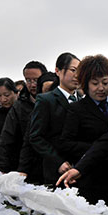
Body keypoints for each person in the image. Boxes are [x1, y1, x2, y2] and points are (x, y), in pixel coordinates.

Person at [56, 55, 108, 206]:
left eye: (105, 83)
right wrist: (98, 149)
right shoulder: (76, 110)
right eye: (95, 83)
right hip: (91, 179)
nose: (101, 88)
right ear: (85, 84)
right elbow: (65, 144)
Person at [28, 53, 80, 185]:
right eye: (73, 70)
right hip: (56, 171)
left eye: (80, 71)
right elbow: (36, 136)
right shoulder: (46, 100)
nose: (77, 75)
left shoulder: (83, 100)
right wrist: (58, 161)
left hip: (80, 169)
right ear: (58, 71)